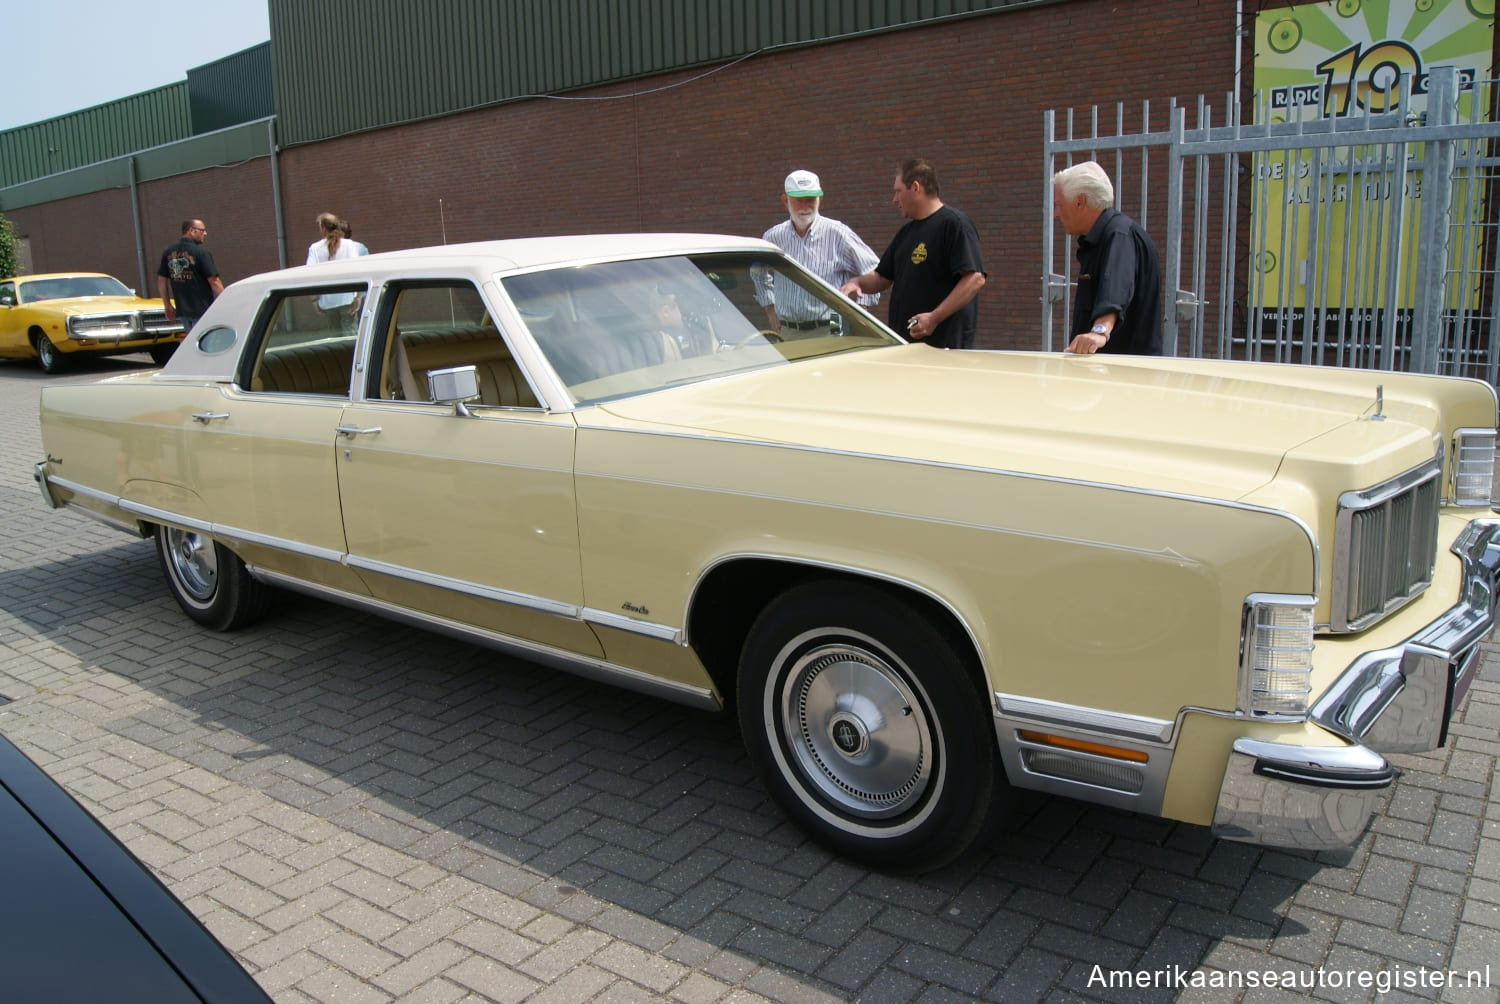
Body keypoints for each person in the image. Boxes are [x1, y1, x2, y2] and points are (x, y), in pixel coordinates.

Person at [840, 159, 986, 349]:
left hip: (944, 350)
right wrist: (857, 282)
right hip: (907, 347)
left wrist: (934, 317)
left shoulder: (954, 224)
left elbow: (975, 278)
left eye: (898, 191)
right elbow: (882, 277)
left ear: (915, 188)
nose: (894, 199)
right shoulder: (906, 233)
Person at [1053, 161, 1164, 355]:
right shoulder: (1104, 237)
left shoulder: (1119, 236)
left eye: (1058, 205)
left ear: (1080, 202)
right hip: (1109, 372)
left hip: (1123, 375)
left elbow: (1116, 288)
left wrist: (1100, 331)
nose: (1055, 214)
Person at [753, 169, 880, 336]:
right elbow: (758, 272)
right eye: (799, 200)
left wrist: (861, 312)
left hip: (833, 327)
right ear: (785, 201)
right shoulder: (773, 237)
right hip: (788, 329)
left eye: (810, 200)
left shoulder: (837, 233)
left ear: (820, 199)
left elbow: (874, 270)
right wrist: (770, 309)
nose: (805, 207)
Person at [155, 219, 223, 332]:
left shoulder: (168, 252)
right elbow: (214, 281)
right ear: (191, 231)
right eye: (202, 230)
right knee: (205, 344)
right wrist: (227, 301)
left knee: (191, 343)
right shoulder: (201, 253)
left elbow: (161, 280)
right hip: (202, 310)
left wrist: (167, 306)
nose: (205, 233)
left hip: (182, 310)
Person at [306, 212, 362, 323]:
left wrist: (314, 300)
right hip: (347, 299)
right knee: (349, 337)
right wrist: (359, 297)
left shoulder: (315, 248)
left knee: (334, 337)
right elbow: (357, 270)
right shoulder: (349, 245)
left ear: (323, 229)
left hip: (327, 302)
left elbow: (309, 275)